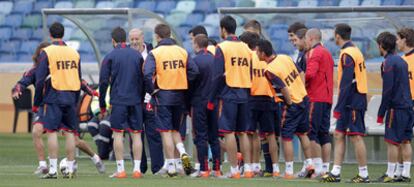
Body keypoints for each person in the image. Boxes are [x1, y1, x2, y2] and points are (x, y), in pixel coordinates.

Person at [11, 42, 105, 176]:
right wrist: (17, 89)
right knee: (37, 131)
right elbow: (22, 82)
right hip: (46, 107)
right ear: (39, 56)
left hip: (60, 105)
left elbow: (80, 81)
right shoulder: (35, 71)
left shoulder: (61, 70)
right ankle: (43, 165)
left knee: (75, 140)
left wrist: (92, 91)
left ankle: (95, 158)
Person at [143, 23, 198, 177]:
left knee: (165, 131)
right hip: (179, 95)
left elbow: (147, 74)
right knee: (174, 129)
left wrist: (152, 90)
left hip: (163, 95)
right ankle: (182, 153)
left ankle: (172, 166)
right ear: (170, 35)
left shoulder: (155, 52)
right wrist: (184, 83)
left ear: (157, 36)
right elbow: (194, 71)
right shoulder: (182, 51)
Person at [257, 39, 313, 180]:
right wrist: (301, 90)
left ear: (263, 53)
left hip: (292, 103)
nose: (256, 53)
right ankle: (310, 164)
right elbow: (301, 73)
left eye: (257, 51)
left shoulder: (269, 70)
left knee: (286, 137)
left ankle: (288, 171)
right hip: (304, 98)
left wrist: (289, 104)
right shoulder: (285, 57)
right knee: (303, 133)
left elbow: (283, 88)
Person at [321, 23, 369, 183]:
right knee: (339, 134)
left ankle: (364, 175)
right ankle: (335, 172)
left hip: (353, 100)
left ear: (337, 36)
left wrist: (339, 106)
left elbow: (347, 83)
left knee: (356, 136)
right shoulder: (355, 50)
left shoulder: (347, 54)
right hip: (353, 98)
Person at [34, 22, 81, 179]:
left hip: (54, 95)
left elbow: (40, 80)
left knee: (52, 131)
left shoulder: (47, 52)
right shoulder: (74, 52)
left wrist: (37, 101)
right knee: (69, 132)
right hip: (71, 95)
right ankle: (69, 168)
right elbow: (78, 78)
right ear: (63, 34)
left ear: (50, 34)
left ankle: (53, 170)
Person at [208, 15, 253, 179]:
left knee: (228, 132)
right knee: (243, 132)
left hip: (229, 93)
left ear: (223, 29)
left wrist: (212, 99)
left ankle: (234, 170)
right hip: (244, 93)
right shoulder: (246, 48)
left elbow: (217, 76)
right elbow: (251, 73)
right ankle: (248, 169)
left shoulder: (222, 47)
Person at [99, 27, 145, 179]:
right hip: (136, 100)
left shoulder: (110, 56)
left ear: (113, 41)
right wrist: (141, 96)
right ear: (125, 39)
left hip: (118, 100)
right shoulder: (137, 55)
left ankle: (121, 170)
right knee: (136, 135)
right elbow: (143, 79)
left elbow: (103, 82)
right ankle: (137, 170)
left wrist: (102, 105)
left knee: (117, 135)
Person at [240, 32, 280, 177]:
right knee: (270, 135)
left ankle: (250, 167)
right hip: (268, 98)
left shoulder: (250, 57)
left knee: (250, 134)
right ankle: (275, 169)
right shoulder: (267, 58)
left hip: (252, 97)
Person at [376, 32, 413, 183]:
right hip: (408, 105)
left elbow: (388, 90)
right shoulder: (402, 61)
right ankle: (405, 173)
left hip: (396, 108)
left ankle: (390, 173)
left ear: (381, 46)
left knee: (391, 141)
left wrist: (381, 112)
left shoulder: (388, 63)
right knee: (405, 140)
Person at [129, 28, 165, 174]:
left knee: (154, 134)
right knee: (136, 135)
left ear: (143, 38)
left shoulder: (153, 52)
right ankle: (140, 167)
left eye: (137, 38)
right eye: (131, 39)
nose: (134, 42)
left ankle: (157, 168)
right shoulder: (127, 54)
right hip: (134, 100)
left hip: (150, 99)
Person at [188, 34, 221, 178]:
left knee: (201, 136)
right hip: (213, 102)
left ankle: (204, 169)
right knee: (214, 136)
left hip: (199, 102)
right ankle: (217, 169)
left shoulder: (195, 61)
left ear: (196, 44)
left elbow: (189, 84)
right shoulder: (216, 60)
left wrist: (187, 103)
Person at [304, 28, 334, 177]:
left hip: (315, 97)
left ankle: (316, 168)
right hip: (327, 98)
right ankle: (325, 167)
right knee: (324, 134)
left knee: (311, 133)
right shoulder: (327, 52)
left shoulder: (315, 52)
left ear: (310, 38)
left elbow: (309, 74)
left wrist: (299, 81)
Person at [394, 28, 414, 182]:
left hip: (409, 102)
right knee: (402, 138)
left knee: (404, 138)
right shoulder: (401, 60)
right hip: (404, 103)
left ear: (405, 40)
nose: (396, 42)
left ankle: (404, 172)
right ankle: (401, 172)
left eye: (398, 39)